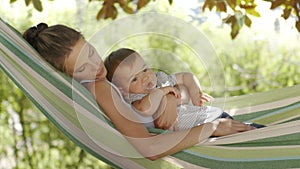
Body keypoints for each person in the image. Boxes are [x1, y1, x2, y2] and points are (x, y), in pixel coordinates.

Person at [23, 23, 255, 160]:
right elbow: (149, 148)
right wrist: (212, 128)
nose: (95, 66)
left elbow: (165, 93)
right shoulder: (100, 87)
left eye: (91, 52)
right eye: (82, 67)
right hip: (205, 129)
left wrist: (170, 98)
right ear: (68, 75)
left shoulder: (108, 81)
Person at [104, 48, 264, 131]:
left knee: (251, 130)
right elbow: (145, 109)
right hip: (204, 130)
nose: (146, 78)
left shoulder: (160, 79)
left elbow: (186, 76)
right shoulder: (135, 100)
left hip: (210, 117)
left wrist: (196, 94)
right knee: (245, 134)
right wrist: (163, 92)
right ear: (123, 90)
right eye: (134, 79)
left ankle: (275, 135)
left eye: (145, 69)